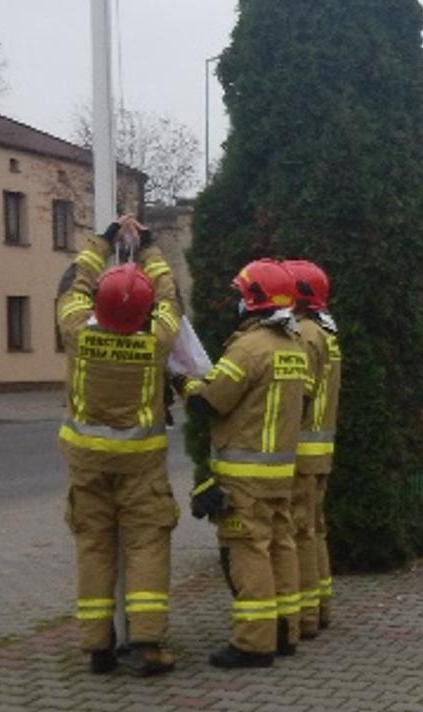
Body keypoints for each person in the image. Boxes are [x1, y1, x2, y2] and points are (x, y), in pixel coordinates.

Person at [55, 216, 180, 675]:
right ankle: (147, 643)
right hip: (141, 466)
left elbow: (72, 285)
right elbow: (170, 299)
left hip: (87, 463)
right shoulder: (156, 341)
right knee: (146, 545)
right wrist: (148, 248)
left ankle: (97, 646)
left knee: (94, 546)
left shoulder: (78, 332)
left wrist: (104, 242)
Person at [182, 259, 308, 667]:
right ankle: (285, 631)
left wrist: (185, 383)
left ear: (254, 300)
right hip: (279, 473)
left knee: (248, 552)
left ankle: (254, 642)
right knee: (281, 547)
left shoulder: (249, 347)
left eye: (240, 294)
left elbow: (212, 400)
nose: (236, 301)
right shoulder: (294, 347)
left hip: (245, 476)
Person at [282, 259, 341, 637]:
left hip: (301, 452)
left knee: (299, 532)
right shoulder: (326, 332)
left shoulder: (304, 334)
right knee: (314, 530)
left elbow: (296, 394)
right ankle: (319, 607)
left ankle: (303, 617)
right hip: (319, 452)